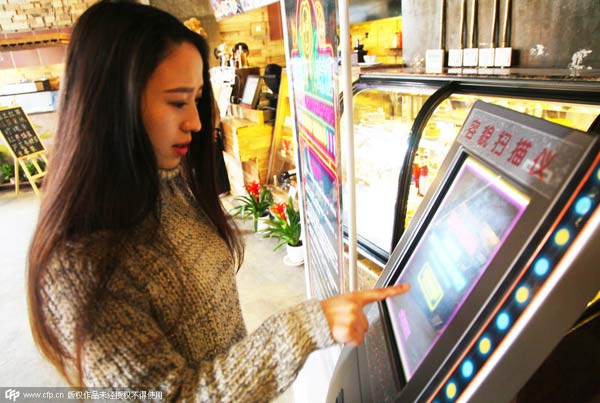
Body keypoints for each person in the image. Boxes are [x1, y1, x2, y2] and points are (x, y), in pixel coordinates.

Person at [26, 1, 410, 401]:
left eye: (196, 99)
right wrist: (309, 324)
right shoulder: (79, 265)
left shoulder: (166, 187)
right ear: (111, 103)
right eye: (177, 102)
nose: (194, 121)